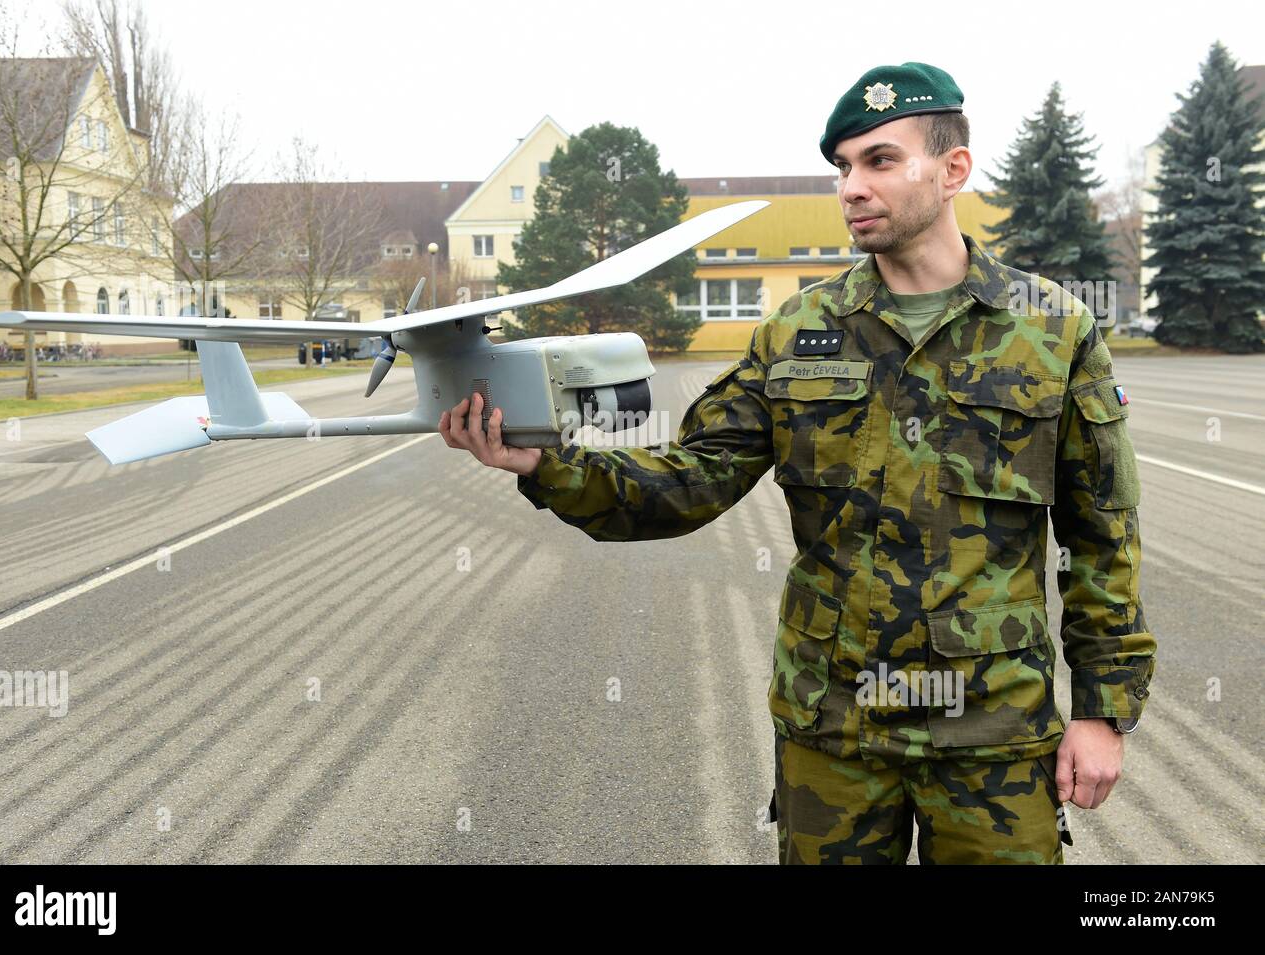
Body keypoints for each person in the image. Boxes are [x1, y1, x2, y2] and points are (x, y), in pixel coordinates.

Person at [438, 61, 1155, 865]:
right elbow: (689, 481)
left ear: (953, 169)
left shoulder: (1052, 329)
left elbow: (1103, 537)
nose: (851, 186)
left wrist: (1101, 712)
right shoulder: (798, 331)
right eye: (842, 167)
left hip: (991, 730)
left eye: (879, 160)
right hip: (834, 727)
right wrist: (546, 464)